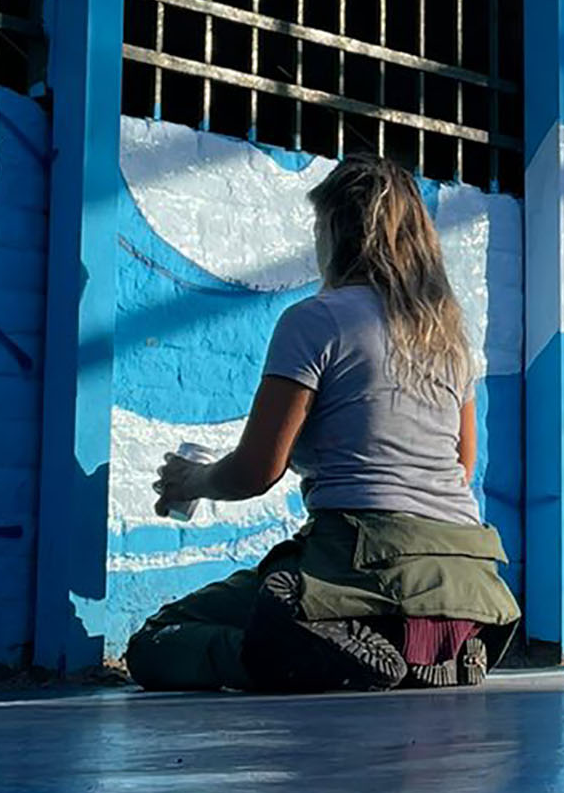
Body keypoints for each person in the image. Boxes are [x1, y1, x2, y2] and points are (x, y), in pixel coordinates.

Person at [124, 155, 520, 692]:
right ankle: (431, 645)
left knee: (156, 641)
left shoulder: (316, 320)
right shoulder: (449, 339)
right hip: (469, 576)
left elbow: (257, 471)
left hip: (360, 560)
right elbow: (461, 468)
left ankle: (300, 653)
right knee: (366, 603)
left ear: (335, 230)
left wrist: (192, 481)